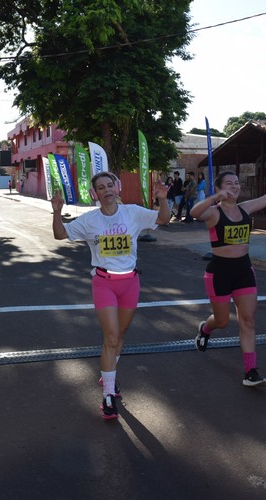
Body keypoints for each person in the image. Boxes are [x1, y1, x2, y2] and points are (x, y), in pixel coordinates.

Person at [51, 172, 170, 419]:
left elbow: (164, 219)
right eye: (100, 187)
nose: (106, 190)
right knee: (112, 337)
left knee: (121, 335)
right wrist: (56, 211)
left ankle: (109, 375)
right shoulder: (89, 220)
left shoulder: (133, 213)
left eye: (109, 185)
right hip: (104, 283)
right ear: (95, 193)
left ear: (117, 188)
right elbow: (60, 235)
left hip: (131, 282)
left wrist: (163, 199)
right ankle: (107, 396)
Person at [190, 164, 266, 387]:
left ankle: (250, 371)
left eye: (237, 183)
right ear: (220, 188)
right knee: (222, 321)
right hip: (219, 273)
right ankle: (205, 328)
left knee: (248, 321)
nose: (235, 186)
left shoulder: (245, 208)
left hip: (243, 270)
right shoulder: (214, 212)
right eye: (229, 183)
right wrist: (215, 197)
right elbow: (195, 213)